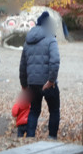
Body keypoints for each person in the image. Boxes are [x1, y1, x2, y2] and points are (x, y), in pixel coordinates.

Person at [19, 11, 60, 139]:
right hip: (47, 83)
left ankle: (30, 137)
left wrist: (24, 84)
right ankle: (52, 137)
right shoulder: (51, 39)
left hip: (33, 83)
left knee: (34, 110)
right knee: (54, 110)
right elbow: (55, 61)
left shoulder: (28, 41)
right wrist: (51, 81)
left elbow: (23, 65)